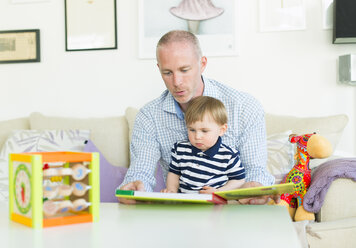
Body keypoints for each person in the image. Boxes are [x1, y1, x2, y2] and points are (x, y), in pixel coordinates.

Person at [119, 30, 277, 205]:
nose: (177, 81)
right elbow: (141, 173)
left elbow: (255, 170)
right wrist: (135, 187)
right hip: (181, 213)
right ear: (159, 69)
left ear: (202, 64)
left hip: (233, 212)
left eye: (184, 70)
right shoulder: (148, 117)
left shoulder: (244, 107)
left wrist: (256, 186)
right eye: (167, 73)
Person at [162, 96, 245, 194]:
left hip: (213, 203)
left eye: (204, 131)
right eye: (192, 130)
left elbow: (239, 180)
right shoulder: (180, 149)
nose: (197, 136)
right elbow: (174, 174)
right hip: (184, 203)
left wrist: (219, 191)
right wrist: (171, 191)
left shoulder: (229, 155)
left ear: (221, 130)